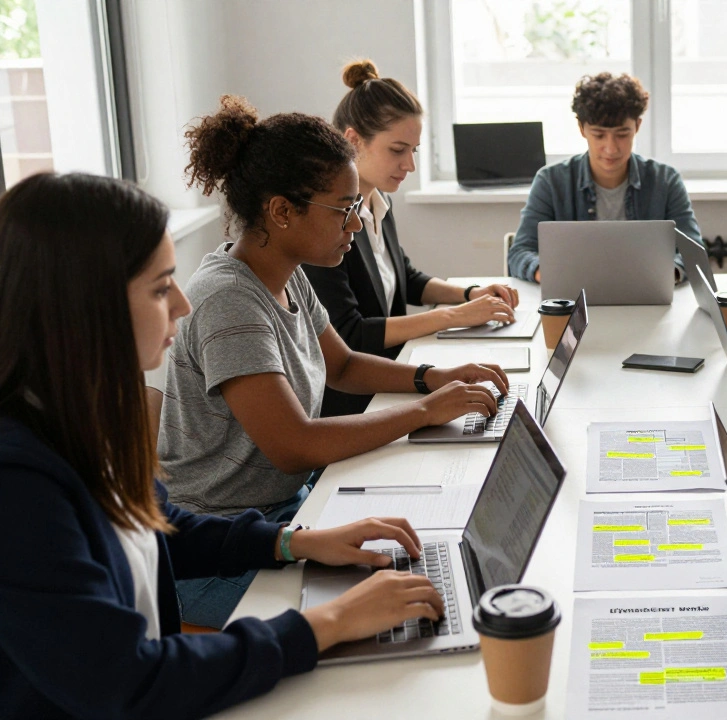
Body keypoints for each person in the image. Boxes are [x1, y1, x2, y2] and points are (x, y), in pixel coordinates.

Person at [0, 172, 446, 719]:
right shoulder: (17, 481)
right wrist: (326, 623)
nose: (183, 304)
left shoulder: (83, 416)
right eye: (161, 287)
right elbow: (126, 680)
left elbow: (164, 527)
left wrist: (297, 543)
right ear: (85, 303)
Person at [159, 95, 507, 628]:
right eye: (343, 209)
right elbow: (295, 446)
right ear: (282, 211)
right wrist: (424, 410)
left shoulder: (285, 269)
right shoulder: (228, 299)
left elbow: (343, 365)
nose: (357, 223)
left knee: (425, 542)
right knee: (392, 604)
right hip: (220, 549)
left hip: (286, 510)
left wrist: (433, 377)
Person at [304, 59, 520, 417]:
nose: (410, 165)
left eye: (414, 150)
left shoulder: (378, 201)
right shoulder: (327, 222)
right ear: (353, 140)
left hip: (395, 379)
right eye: (397, 149)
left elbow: (405, 277)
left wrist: (470, 294)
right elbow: (350, 335)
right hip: (355, 403)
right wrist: (454, 315)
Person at [507, 71, 702, 283]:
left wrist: (665, 275)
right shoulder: (551, 182)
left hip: (648, 297)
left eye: (622, 134)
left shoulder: (665, 180)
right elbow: (519, 253)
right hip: (574, 298)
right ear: (582, 128)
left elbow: (694, 252)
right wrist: (548, 273)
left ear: (637, 126)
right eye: (599, 135)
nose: (610, 148)